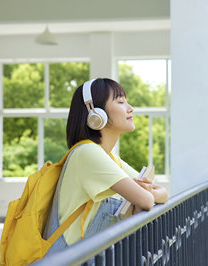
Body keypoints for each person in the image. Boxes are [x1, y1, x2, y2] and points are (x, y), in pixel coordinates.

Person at [44, 78, 169, 254]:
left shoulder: (109, 158)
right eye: (120, 102)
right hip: (67, 259)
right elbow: (147, 200)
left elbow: (163, 193)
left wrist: (149, 191)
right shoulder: (87, 153)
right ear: (96, 114)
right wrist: (148, 192)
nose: (130, 108)